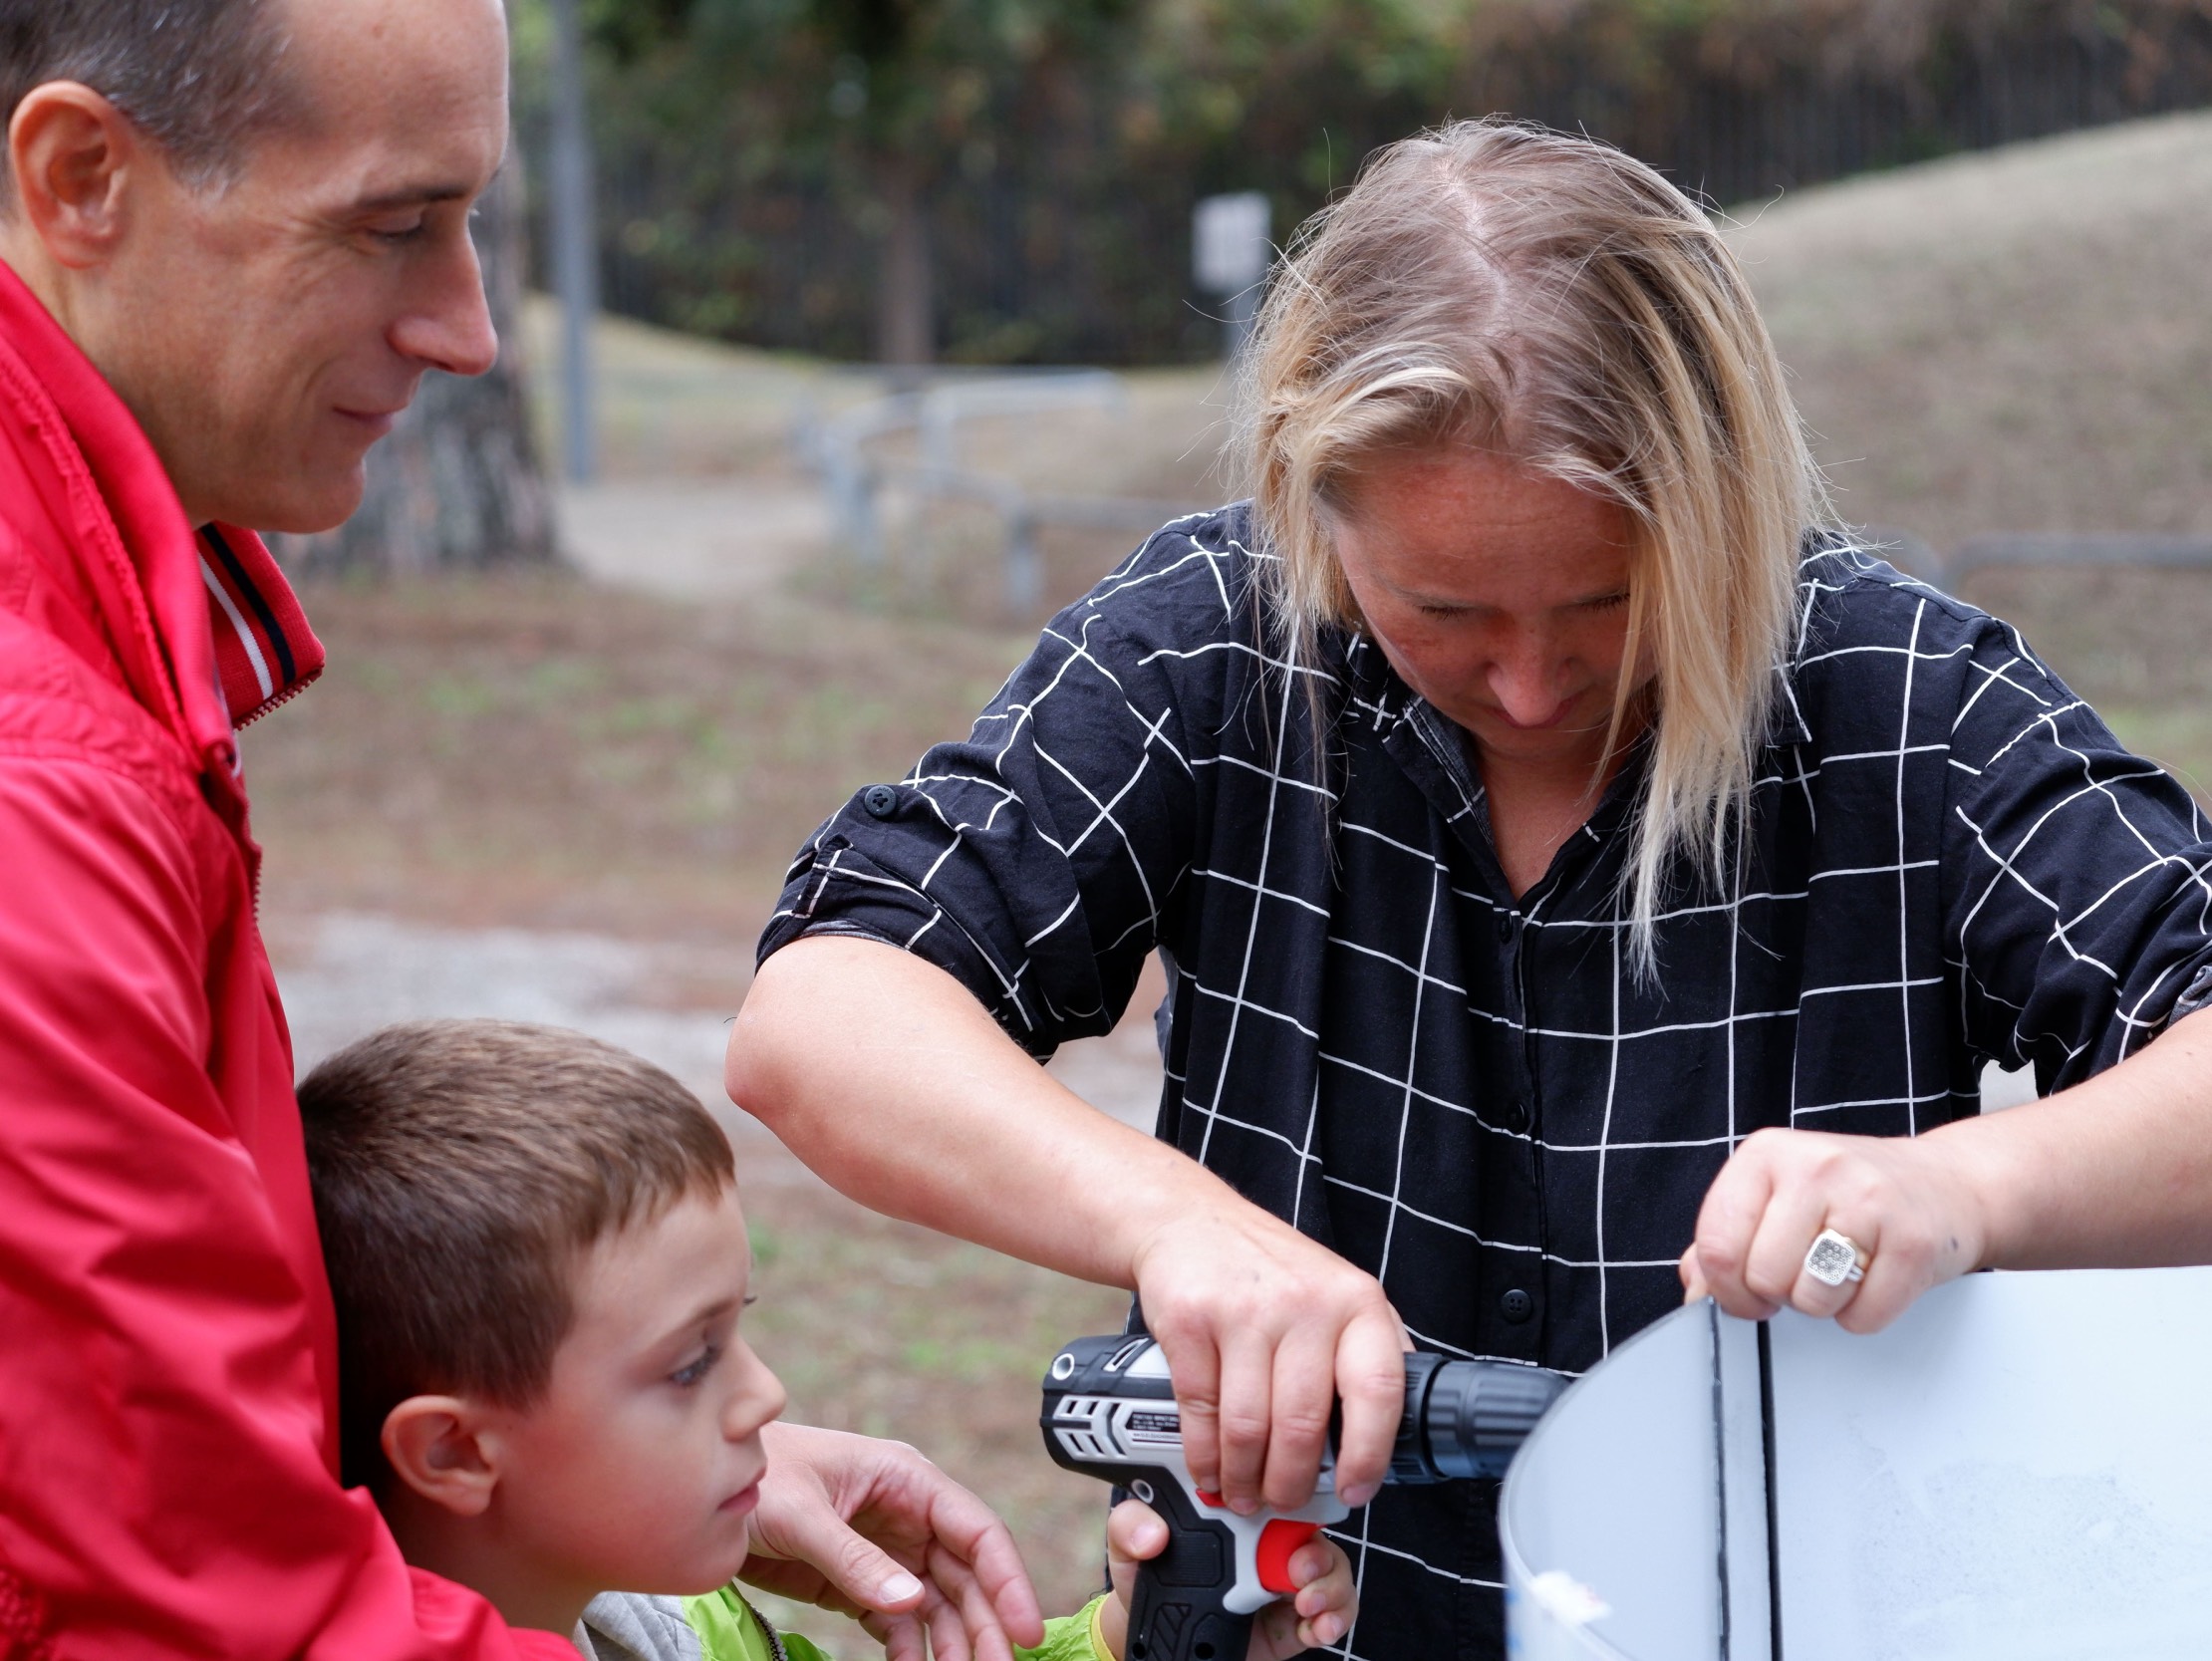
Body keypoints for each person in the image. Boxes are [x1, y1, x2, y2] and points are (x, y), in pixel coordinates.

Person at [727, 116, 2212, 1657]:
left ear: (1727, 495)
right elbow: (822, 1010)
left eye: (1607, 598)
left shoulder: (1897, 691)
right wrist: (1182, 1228)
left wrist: (1961, 1192)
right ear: (1316, 499)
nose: (1521, 681)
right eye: (1441, 607)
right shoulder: (1215, 646)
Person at [0, 2, 1042, 1656]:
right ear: (80, 179)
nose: (468, 326)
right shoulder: (40, 791)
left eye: (472, 223)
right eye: (394, 225)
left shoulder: (85, 663)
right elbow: (203, 1600)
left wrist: (595, 1480)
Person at [297, 1018, 1359, 1661]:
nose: (765, 1397)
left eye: (738, 1330)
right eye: (689, 1361)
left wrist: (1138, 1642)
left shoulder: (691, 1622)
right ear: (454, 1450)